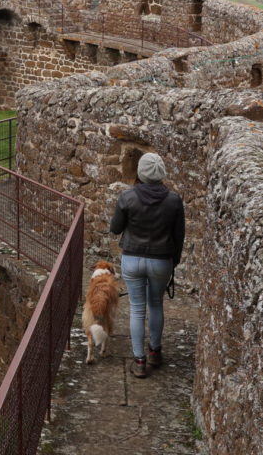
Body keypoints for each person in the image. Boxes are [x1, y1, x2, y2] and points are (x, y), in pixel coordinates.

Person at [110, 152, 185, 379]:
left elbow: (115, 228)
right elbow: (179, 236)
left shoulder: (127, 197)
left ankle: (139, 360)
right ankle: (155, 351)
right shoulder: (174, 200)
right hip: (161, 259)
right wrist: (174, 262)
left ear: (140, 173)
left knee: (136, 308)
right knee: (155, 304)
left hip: (132, 258)